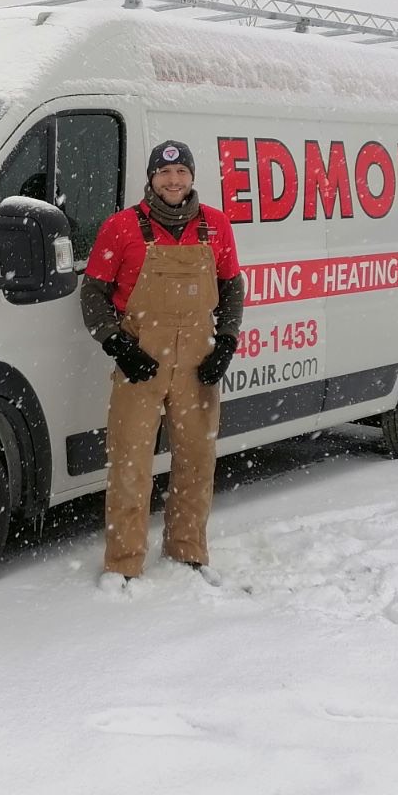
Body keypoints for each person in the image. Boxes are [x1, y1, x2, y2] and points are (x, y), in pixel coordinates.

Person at [80, 140, 246, 590]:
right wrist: (117, 345)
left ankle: (188, 551)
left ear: (192, 177)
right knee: (130, 464)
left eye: (181, 173)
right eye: (164, 173)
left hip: (197, 363)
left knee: (197, 461)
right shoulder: (121, 227)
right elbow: (93, 292)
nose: (173, 181)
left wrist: (225, 342)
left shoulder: (215, 226)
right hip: (141, 361)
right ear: (152, 178)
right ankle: (123, 564)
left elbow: (232, 287)